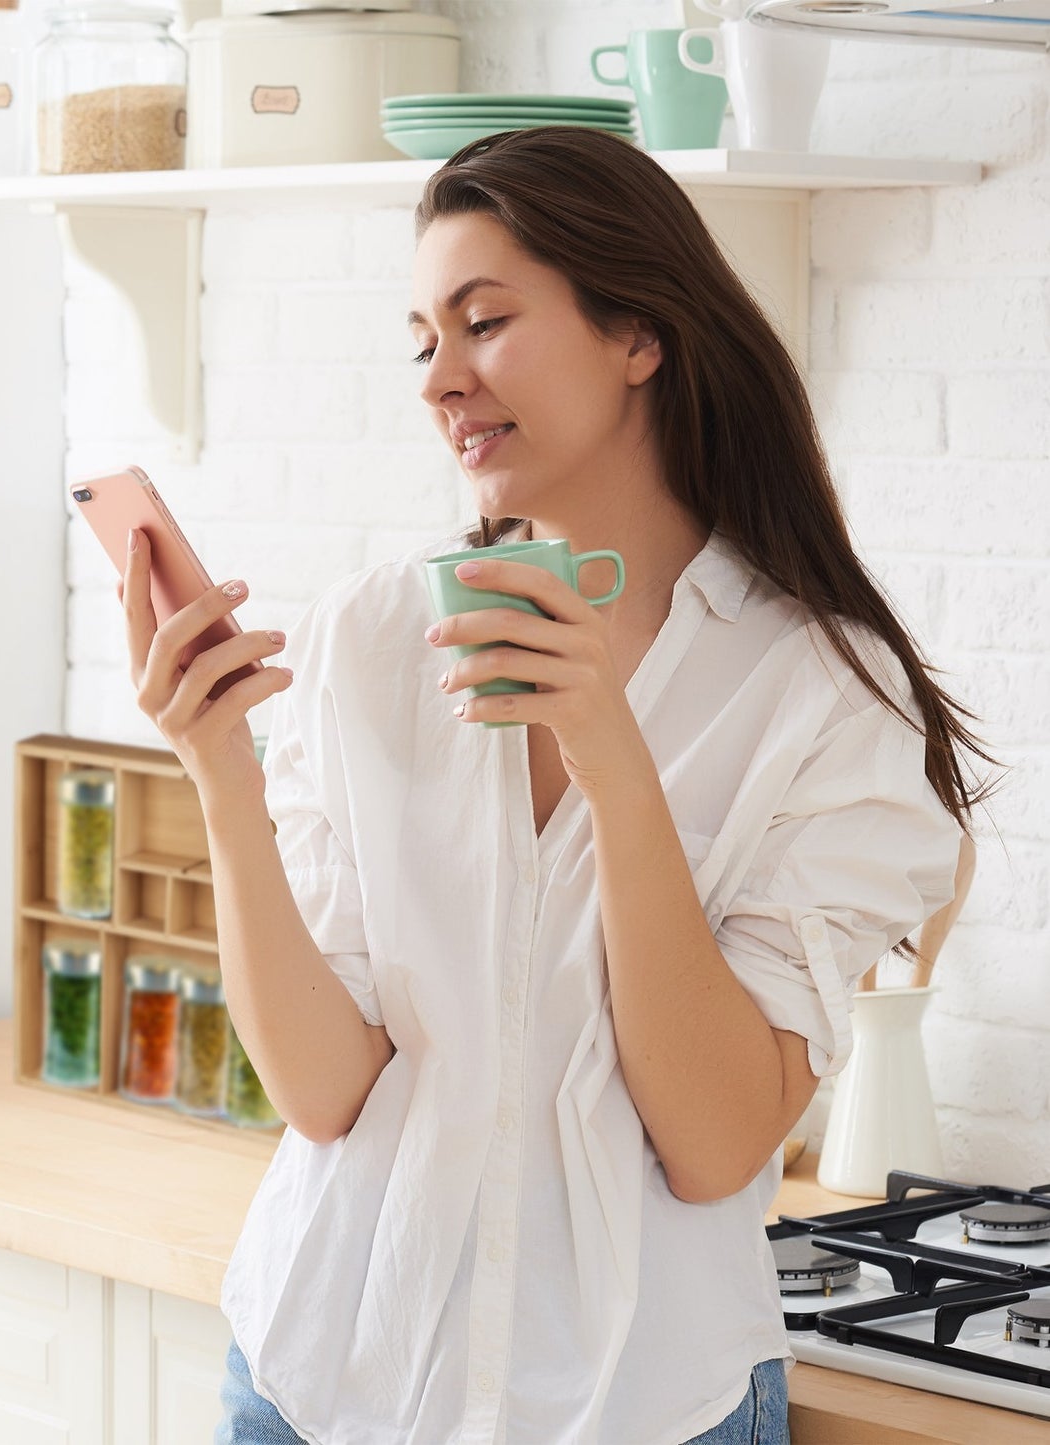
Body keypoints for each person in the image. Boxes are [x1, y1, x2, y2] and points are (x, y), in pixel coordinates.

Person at [117, 127, 995, 1444]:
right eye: (422, 338)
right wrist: (220, 777)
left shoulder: (816, 692)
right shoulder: (372, 637)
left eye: (483, 322)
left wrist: (611, 756)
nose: (440, 378)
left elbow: (708, 1143)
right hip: (320, 1380)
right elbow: (326, 1093)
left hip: (641, 1403)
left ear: (636, 332)